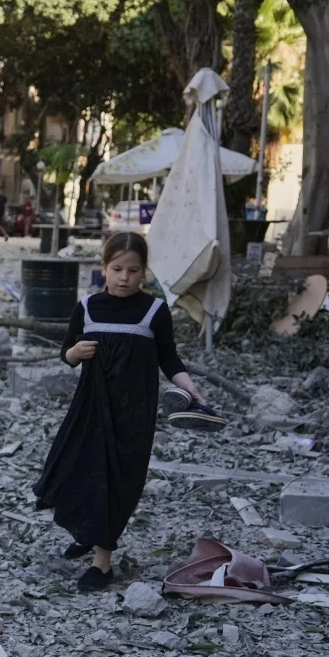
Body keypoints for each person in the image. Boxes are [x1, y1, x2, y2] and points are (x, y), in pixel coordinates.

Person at [34, 232, 215, 592]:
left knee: (118, 481)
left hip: (134, 413)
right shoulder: (87, 307)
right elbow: (65, 352)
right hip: (90, 408)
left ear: (144, 272)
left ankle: (103, 563)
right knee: (78, 469)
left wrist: (190, 388)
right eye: (116, 269)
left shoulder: (154, 311)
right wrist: (75, 354)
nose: (123, 278)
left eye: (133, 270)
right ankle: (87, 533)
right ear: (103, 268)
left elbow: (168, 359)